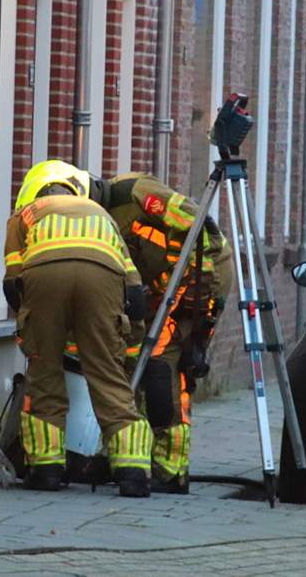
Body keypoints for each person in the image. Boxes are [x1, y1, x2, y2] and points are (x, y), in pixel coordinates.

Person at [44, 161, 233, 494]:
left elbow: (201, 227)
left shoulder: (133, 192)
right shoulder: (91, 220)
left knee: (162, 366)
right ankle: (132, 454)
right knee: (128, 359)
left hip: (197, 279)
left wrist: (195, 291)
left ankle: (170, 469)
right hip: (157, 291)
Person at [4, 161, 154, 498]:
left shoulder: (24, 216)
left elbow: (13, 282)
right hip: (103, 280)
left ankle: (46, 471)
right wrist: (124, 335)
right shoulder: (102, 215)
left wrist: (33, 325)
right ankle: (134, 474)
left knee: (44, 371)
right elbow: (133, 288)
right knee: (107, 373)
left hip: (44, 278)